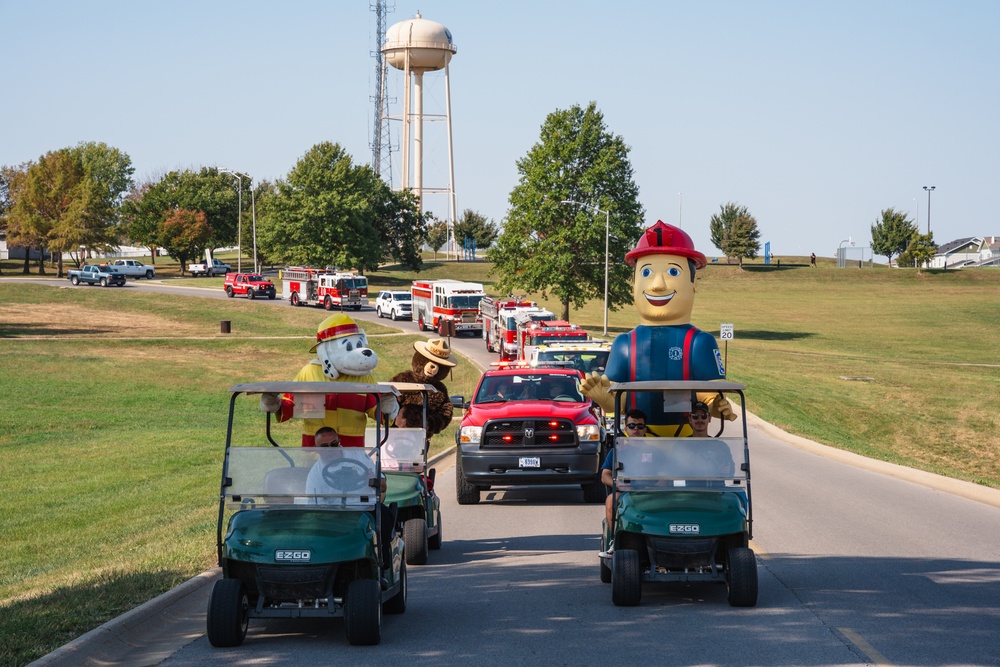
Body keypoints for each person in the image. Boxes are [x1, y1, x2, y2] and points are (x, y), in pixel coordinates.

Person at [581, 221, 735, 437]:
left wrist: (715, 405)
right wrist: (608, 398)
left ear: (693, 283)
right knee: (610, 469)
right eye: (646, 273)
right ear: (634, 283)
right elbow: (619, 399)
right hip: (638, 440)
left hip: (688, 440)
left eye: (673, 271)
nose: (657, 285)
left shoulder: (699, 342)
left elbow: (707, 393)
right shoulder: (625, 344)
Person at [598, 409, 647, 557]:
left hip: (650, 492)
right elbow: (604, 475)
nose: (636, 429)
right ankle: (614, 541)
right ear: (625, 429)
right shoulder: (618, 451)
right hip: (625, 491)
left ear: (645, 429)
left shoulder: (654, 450)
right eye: (632, 426)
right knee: (611, 499)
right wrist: (618, 485)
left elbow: (664, 474)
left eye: (639, 426)